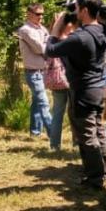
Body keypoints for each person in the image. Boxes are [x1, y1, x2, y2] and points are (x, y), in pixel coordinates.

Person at [44, 0, 106, 190]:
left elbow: (50, 50)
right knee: (99, 130)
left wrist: (57, 25)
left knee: (87, 135)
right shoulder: (102, 30)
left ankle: (95, 178)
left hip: (83, 91)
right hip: (99, 88)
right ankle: (103, 171)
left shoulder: (80, 37)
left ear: (83, 10)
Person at [18, 3, 53, 140]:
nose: (41, 17)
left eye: (42, 14)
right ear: (29, 14)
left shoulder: (42, 29)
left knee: (37, 102)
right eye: (38, 14)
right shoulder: (25, 30)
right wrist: (47, 45)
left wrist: (48, 45)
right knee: (43, 103)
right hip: (33, 73)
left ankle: (35, 132)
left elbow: (50, 44)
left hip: (43, 71)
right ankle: (53, 134)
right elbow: (40, 48)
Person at [44, 19, 73, 150]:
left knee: (57, 113)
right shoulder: (73, 40)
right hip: (71, 81)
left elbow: (47, 60)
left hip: (57, 82)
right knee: (74, 113)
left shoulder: (52, 42)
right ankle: (77, 142)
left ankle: (54, 144)